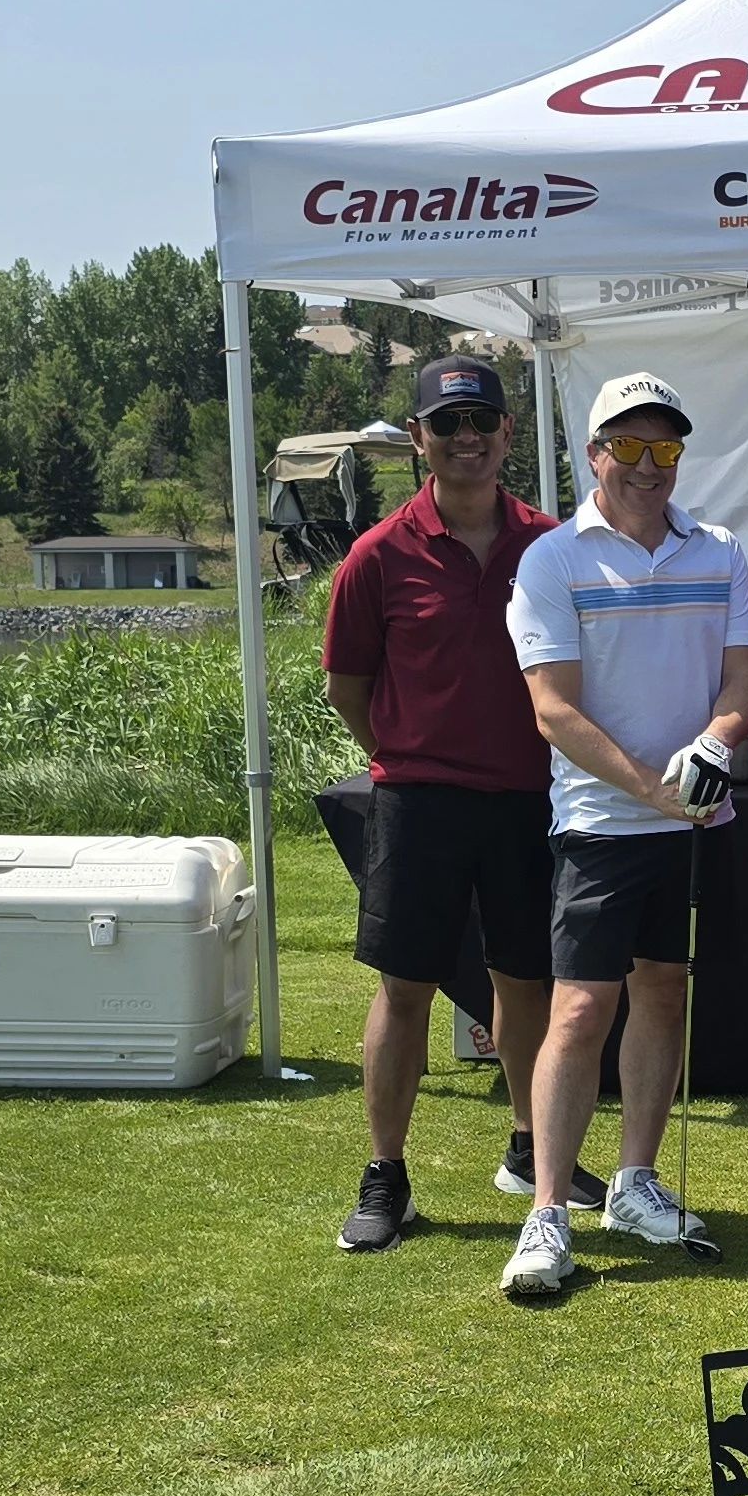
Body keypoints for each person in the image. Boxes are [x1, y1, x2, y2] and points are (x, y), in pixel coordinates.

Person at [498, 374, 748, 1298]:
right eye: (630, 448)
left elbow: (743, 685)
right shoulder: (554, 561)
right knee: (580, 1009)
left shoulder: (719, 551)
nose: (650, 468)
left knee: (664, 991)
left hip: (692, 818)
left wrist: (716, 745)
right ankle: (545, 1214)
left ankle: (636, 1183)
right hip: (603, 827)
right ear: (594, 454)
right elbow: (553, 712)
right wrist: (655, 786)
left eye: (667, 450)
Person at [321, 352, 559, 1254]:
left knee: (525, 981)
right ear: (418, 439)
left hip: (529, 798)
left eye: (483, 422)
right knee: (405, 986)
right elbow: (350, 686)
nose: (468, 438)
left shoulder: (550, 543)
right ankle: (387, 1174)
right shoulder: (375, 557)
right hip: (418, 799)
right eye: (447, 424)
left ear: (507, 433)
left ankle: (532, 1150)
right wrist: (403, 757)